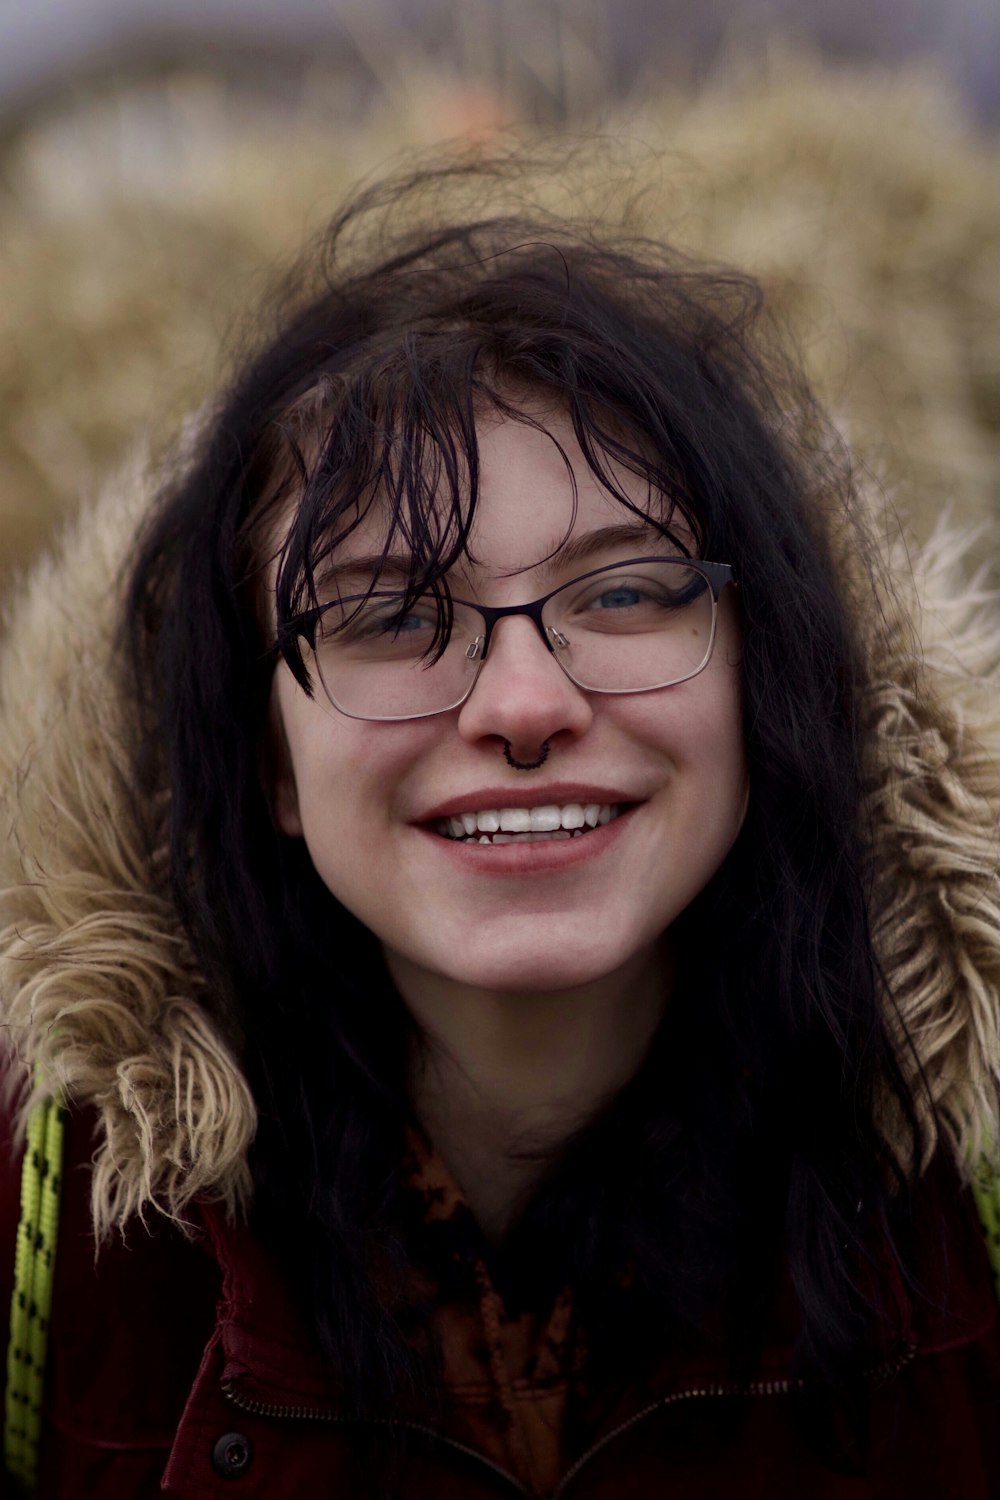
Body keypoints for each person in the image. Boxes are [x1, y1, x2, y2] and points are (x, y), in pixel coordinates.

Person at [0, 150, 998, 1499]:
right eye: (393, 616)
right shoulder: (41, 1216)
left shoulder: (972, 1176)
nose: (525, 704)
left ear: (776, 688)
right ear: (262, 761)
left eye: (630, 595)